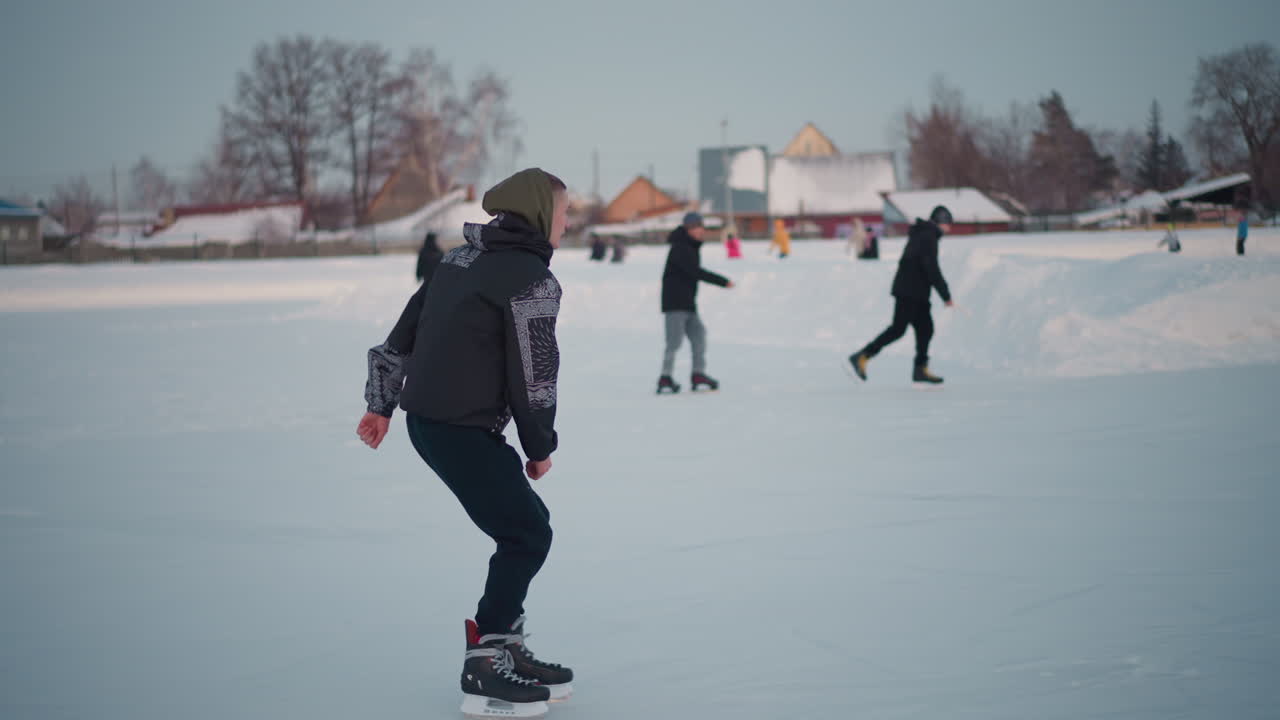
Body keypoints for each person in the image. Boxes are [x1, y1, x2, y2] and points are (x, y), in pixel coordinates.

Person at [357, 168, 574, 718]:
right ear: (542, 216)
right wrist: (539, 446)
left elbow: (403, 330)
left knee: (521, 529)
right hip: (460, 428)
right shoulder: (531, 279)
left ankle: (504, 647)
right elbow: (535, 374)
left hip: (427, 424)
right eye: (565, 212)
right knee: (527, 532)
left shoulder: (459, 259)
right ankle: (487, 662)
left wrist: (381, 404)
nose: (569, 223)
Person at [848, 205, 954, 385]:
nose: (949, 228)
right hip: (910, 291)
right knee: (898, 329)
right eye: (948, 223)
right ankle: (862, 355)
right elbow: (931, 268)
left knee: (925, 328)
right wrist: (945, 294)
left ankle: (920, 369)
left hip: (915, 290)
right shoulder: (928, 236)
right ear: (941, 222)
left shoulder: (924, 233)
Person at [658, 212, 734, 393]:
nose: (703, 231)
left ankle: (698, 373)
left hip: (687, 303)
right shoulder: (680, 247)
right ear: (690, 229)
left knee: (699, 336)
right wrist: (722, 281)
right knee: (674, 342)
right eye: (700, 227)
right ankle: (665, 377)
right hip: (675, 303)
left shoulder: (690, 246)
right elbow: (696, 272)